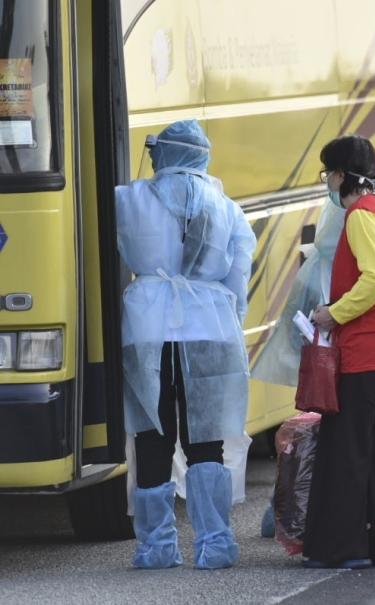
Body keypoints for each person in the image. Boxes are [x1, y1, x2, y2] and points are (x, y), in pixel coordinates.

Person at [117, 119, 256, 570]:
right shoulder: (226, 207)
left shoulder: (129, 199)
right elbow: (238, 276)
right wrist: (233, 323)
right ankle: (214, 543)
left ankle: (157, 546)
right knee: (205, 440)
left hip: (149, 327)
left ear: (164, 155)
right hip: (209, 327)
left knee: (153, 437)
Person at [251, 128, 375, 388]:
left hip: (364, 315)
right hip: (344, 302)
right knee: (331, 384)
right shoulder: (370, 206)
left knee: (340, 392)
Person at [300, 135, 375, 570]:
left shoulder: (360, 216)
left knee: (346, 449)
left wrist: (335, 312)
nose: (328, 182)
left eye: (328, 173)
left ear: (342, 175)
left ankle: (342, 547)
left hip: (367, 350)